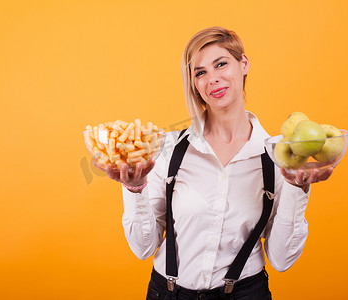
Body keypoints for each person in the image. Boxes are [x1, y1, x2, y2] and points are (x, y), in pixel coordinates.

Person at [101, 27, 333, 299]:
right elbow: (143, 248)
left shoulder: (279, 154)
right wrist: (135, 189)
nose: (213, 79)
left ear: (243, 64)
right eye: (200, 72)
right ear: (194, 83)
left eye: (221, 64)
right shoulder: (167, 148)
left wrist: (297, 189)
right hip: (169, 293)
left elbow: (282, 260)